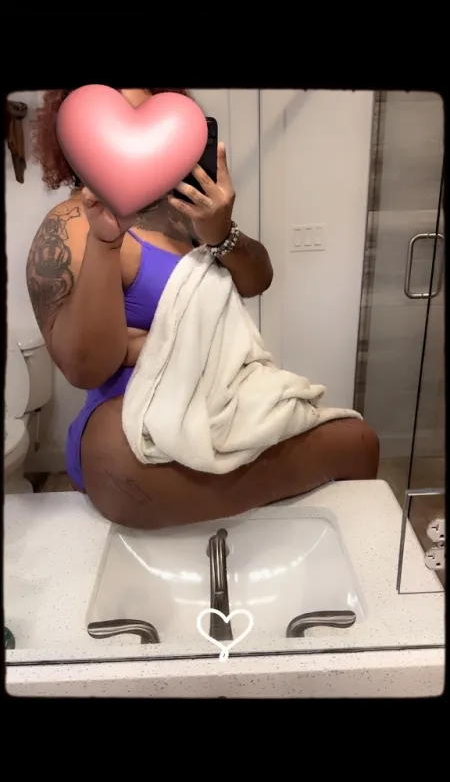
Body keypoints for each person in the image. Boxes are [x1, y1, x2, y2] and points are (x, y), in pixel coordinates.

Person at [27, 87, 379, 530]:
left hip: (223, 397)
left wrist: (221, 231)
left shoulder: (186, 211)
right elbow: (84, 368)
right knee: (118, 466)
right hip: (130, 423)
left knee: (360, 442)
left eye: (147, 126)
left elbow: (258, 280)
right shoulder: (71, 223)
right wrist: (106, 241)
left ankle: (232, 497)